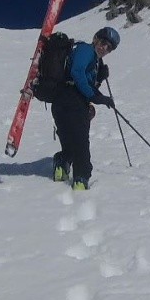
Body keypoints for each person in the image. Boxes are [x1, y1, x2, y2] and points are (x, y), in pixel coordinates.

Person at [52, 26, 120, 190]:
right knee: (81, 141)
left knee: (69, 138)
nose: (105, 48)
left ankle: (61, 164)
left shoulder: (92, 59)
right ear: (96, 38)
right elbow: (77, 73)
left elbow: (85, 81)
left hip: (61, 101)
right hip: (73, 101)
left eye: (109, 48)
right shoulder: (86, 50)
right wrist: (94, 97)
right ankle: (81, 178)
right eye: (104, 43)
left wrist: (99, 80)